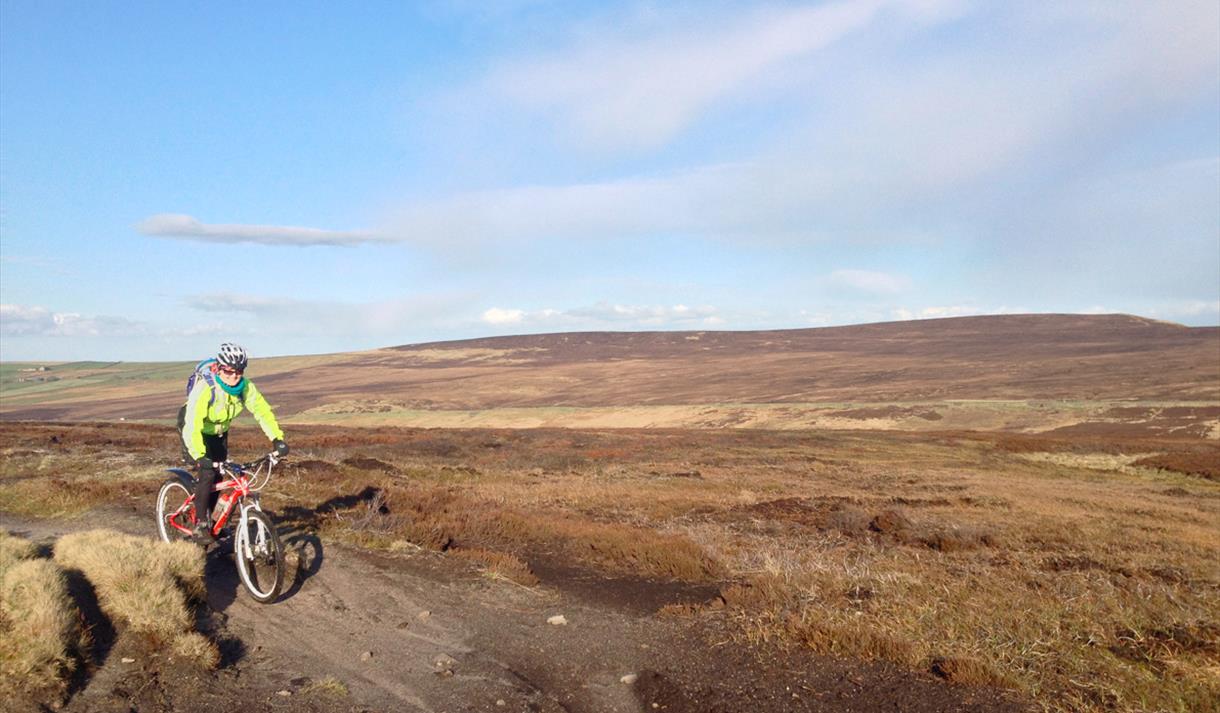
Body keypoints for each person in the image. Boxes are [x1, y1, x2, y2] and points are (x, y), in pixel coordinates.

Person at [178, 342, 289, 543]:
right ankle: (201, 525)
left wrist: (277, 438)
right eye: (228, 372)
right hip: (195, 430)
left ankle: (214, 522)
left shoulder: (244, 387)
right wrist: (199, 455)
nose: (233, 377)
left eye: (238, 372)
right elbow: (192, 424)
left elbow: (262, 411)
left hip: (219, 432)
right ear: (219, 369)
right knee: (208, 473)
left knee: (222, 476)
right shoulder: (206, 388)